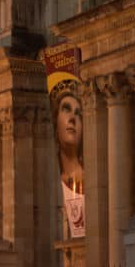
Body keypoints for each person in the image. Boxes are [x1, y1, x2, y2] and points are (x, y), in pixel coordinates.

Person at [51, 82, 85, 238]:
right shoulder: (51, 179)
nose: (73, 119)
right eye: (66, 110)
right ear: (55, 122)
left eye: (78, 114)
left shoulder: (91, 177)